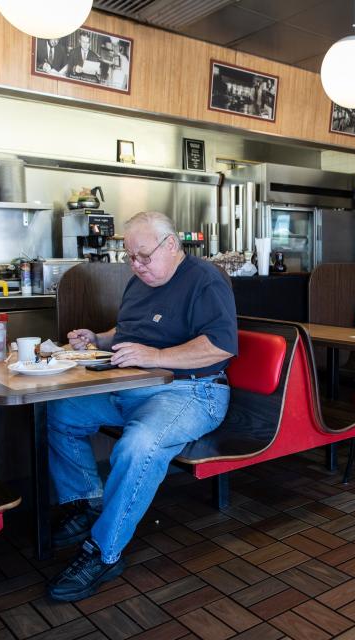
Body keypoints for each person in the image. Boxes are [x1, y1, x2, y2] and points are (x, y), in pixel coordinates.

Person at [45, 211, 237, 602]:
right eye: (130, 256)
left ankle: (104, 551)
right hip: (135, 387)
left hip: (194, 392)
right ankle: (90, 503)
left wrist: (156, 355)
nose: (136, 265)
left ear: (171, 245)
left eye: (143, 256)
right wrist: (97, 339)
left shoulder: (205, 279)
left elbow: (220, 345)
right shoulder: (138, 282)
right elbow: (128, 330)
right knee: (60, 411)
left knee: (138, 445)